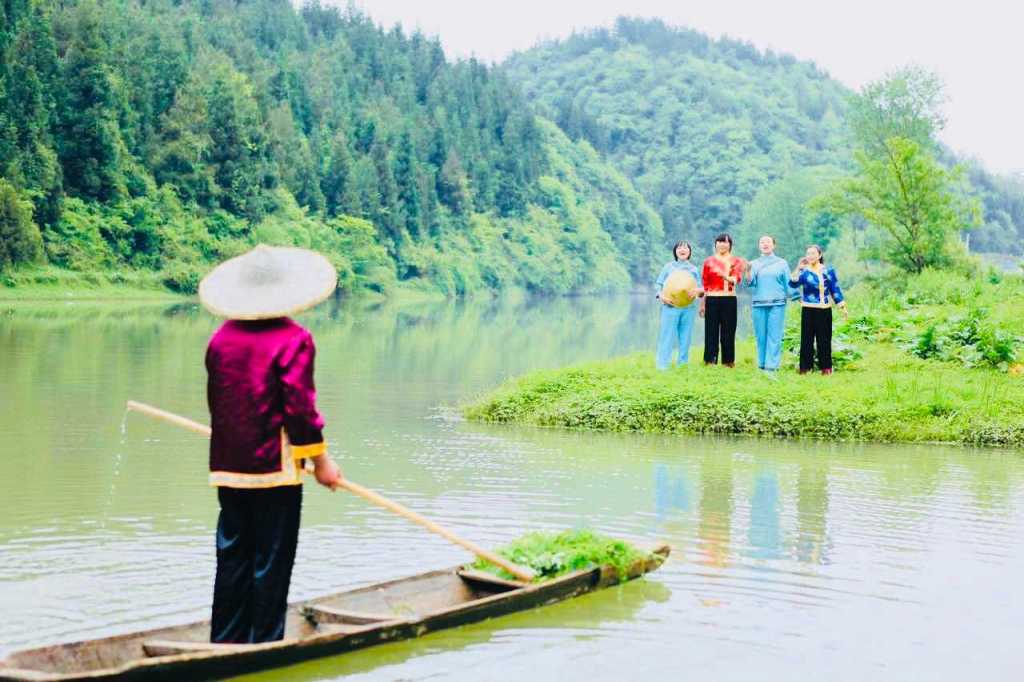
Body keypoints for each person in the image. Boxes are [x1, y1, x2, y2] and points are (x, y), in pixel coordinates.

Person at [199, 244, 343, 644]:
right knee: (270, 562)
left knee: (233, 556)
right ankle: (263, 644)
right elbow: (300, 412)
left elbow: (219, 403)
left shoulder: (220, 339)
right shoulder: (293, 339)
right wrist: (322, 462)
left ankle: (224, 642)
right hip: (274, 471)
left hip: (228, 467)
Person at [790, 244, 848, 375]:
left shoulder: (828, 271)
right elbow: (792, 284)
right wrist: (798, 269)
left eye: (813, 253)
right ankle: (805, 368)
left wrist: (842, 307)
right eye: (808, 254)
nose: (810, 256)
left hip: (824, 310)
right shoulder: (804, 272)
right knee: (806, 339)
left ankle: (826, 368)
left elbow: (835, 289)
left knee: (824, 340)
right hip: (808, 309)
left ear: (819, 255)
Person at [654, 241, 704, 369]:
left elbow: (700, 288)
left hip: (688, 307)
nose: (683, 250)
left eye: (686, 247)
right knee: (667, 335)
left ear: (689, 252)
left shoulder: (694, 269)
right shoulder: (668, 267)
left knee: (685, 336)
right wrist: (661, 296)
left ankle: (682, 364)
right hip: (670, 306)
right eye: (680, 247)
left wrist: (699, 292)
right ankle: (662, 365)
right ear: (675, 251)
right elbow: (658, 284)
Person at [700, 233, 746, 367]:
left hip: (729, 298)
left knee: (728, 330)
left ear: (730, 245)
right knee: (711, 330)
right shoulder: (708, 261)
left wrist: (726, 277)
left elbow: (737, 279)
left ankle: (728, 361)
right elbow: (705, 285)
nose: (722, 244)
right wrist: (703, 304)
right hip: (712, 299)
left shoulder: (735, 261)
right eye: (719, 242)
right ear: (715, 244)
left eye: (725, 242)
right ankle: (710, 360)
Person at [746, 235, 791, 371]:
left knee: (775, 335)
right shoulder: (753, 264)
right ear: (759, 246)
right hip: (758, 303)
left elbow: (788, 283)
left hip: (777, 303)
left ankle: (772, 366)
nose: (765, 244)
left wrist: (797, 297)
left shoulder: (782, 263)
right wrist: (747, 271)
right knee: (761, 335)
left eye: (768, 242)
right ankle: (762, 364)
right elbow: (750, 285)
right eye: (762, 242)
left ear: (774, 245)